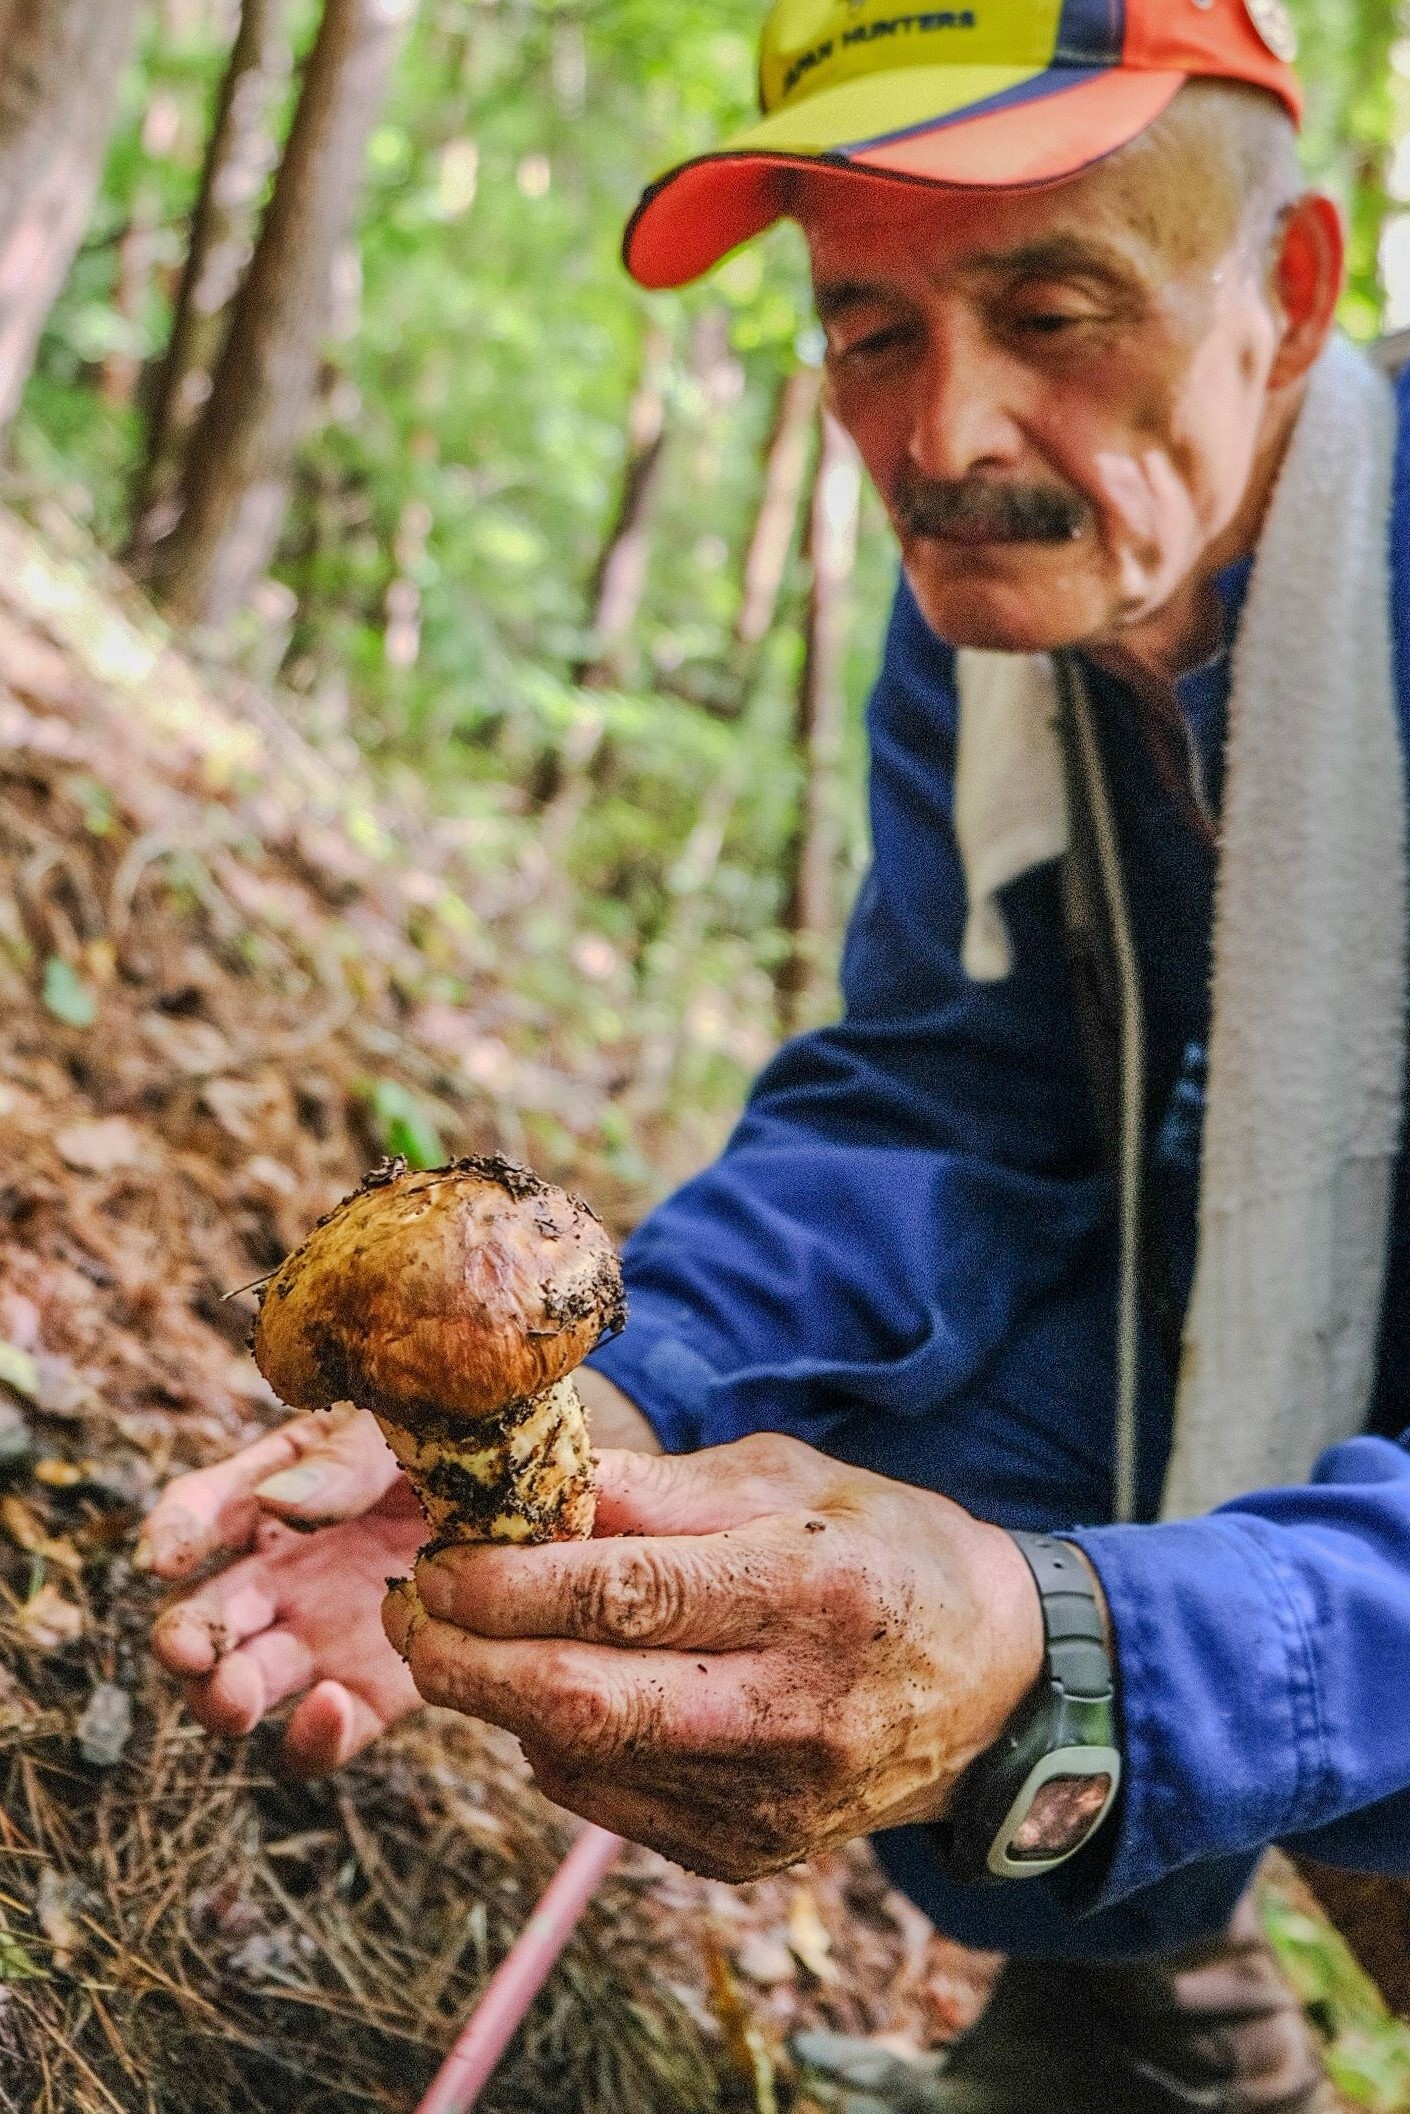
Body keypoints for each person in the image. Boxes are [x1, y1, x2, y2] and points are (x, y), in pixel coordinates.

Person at [141, 3, 1410, 2106]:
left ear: (1289, 292)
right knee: (898, 1427)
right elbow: (945, 1093)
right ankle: (1130, 2013)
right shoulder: (996, 630)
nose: (946, 434)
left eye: (1053, 302)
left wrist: (1083, 1652)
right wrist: (589, 1417)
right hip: (1263, 1345)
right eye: (869, 330)